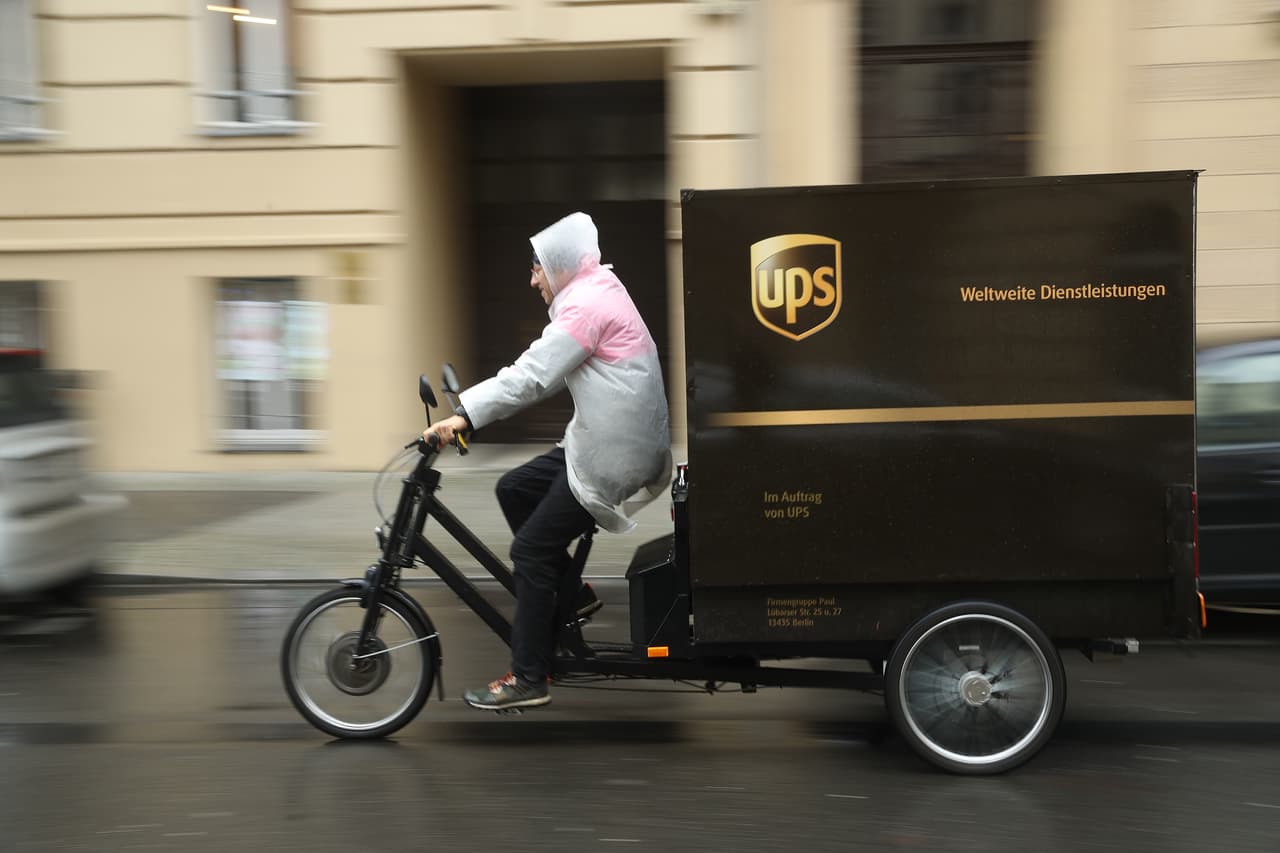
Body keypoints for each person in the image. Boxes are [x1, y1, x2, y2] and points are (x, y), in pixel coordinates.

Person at [424, 211, 672, 711]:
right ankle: (572, 594)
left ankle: (528, 676)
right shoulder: (595, 291)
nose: (532, 279)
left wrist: (463, 417)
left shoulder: (585, 306)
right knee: (513, 488)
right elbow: (546, 374)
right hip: (602, 442)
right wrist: (471, 412)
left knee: (531, 552)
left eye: (537, 267)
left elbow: (531, 377)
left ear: (560, 266)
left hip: (612, 455)